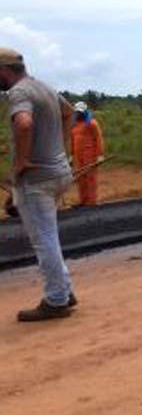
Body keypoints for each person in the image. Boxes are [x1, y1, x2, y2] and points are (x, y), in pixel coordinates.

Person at [0, 48, 78, 321]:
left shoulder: (19, 92)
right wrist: (58, 148)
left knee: (44, 240)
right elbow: (69, 113)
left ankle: (56, 300)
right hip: (58, 173)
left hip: (37, 179)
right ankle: (64, 291)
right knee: (50, 236)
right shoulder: (43, 86)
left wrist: (21, 161)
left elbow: (23, 124)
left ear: (4, 71)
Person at [70, 101, 105, 206]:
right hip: (77, 155)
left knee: (90, 178)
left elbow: (98, 139)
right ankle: (83, 201)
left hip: (89, 154)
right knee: (81, 178)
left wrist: (100, 155)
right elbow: (72, 141)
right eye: (77, 112)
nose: (78, 114)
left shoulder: (92, 123)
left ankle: (91, 202)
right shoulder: (74, 125)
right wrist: (71, 155)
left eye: (80, 112)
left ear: (85, 112)